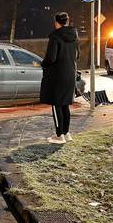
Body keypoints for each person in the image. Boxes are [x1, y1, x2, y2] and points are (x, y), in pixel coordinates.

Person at [40, 12, 79, 144]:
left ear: (56, 22)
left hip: (57, 76)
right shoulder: (74, 36)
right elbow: (77, 55)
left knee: (56, 105)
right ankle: (66, 133)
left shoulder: (55, 37)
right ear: (67, 22)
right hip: (70, 74)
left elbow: (51, 58)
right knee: (65, 105)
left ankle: (59, 135)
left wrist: (43, 63)